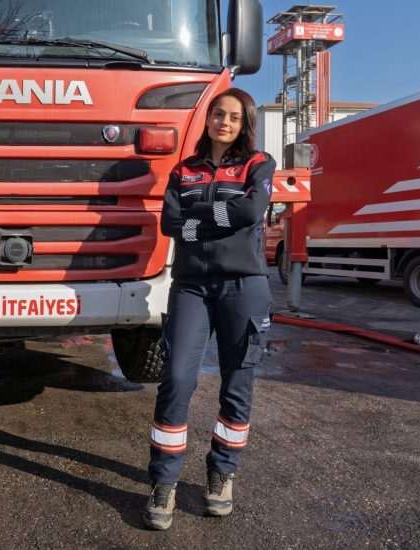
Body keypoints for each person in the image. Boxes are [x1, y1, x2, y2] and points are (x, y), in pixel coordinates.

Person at [143, 88, 276, 530]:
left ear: (245, 123)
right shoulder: (184, 170)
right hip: (191, 288)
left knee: (237, 384)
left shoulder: (259, 164)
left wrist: (199, 216)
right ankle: (163, 482)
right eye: (219, 114)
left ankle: (222, 474)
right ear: (209, 118)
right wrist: (220, 215)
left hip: (244, 286)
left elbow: (251, 211)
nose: (224, 122)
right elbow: (170, 223)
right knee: (177, 378)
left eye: (234, 117)